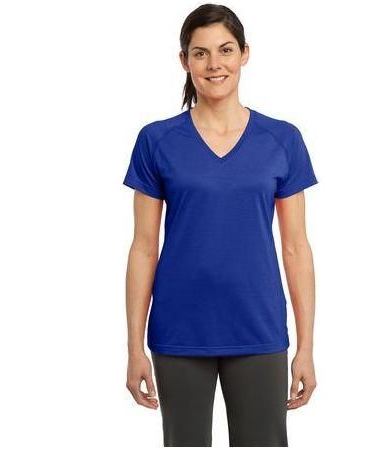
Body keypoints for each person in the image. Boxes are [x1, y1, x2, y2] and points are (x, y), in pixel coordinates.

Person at [123, 4, 318, 447]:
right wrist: (134, 347)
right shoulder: (156, 140)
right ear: (184, 60)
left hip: (258, 327)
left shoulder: (282, 139)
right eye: (201, 53)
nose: (215, 64)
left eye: (226, 50)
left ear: (245, 53)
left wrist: (305, 346)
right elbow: (143, 247)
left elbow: (296, 249)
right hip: (178, 330)